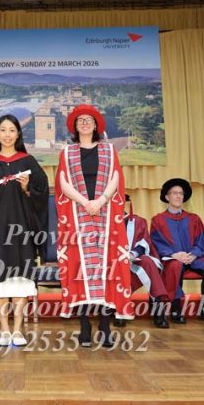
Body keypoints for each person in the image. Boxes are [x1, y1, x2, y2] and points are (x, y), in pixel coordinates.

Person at [55, 104, 132, 348]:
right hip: (77, 216)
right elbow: (63, 182)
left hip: (105, 215)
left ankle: (105, 325)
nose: (85, 123)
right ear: (75, 126)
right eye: (80, 120)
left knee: (106, 269)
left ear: (96, 124)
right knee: (79, 270)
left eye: (89, 119)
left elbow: (116, 177)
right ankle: (84, 325)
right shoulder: (67, 152)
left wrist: (100, 201)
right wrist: (84, 202)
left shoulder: (109, 150)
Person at [0, 114, 48, 346]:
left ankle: (17, 330)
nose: (7, 135)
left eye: (12, 130)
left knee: (20, 277)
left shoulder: (28, 161)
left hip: (21, 228)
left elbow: (41, 194)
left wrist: (27, 188)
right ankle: (4, 330)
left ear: (18, 134)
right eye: (3, 130)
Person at [150, 178, 204, 324]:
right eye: (174, 193)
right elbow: (156, 241)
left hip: (193, 257)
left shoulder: (193, 218)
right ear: (167, 197)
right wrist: (174, 254)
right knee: (175, 267)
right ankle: (176, 310)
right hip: (172, 258)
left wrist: (194, 254)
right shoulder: (158, 220)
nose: (178, 196)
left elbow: (202, 241)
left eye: (181, 193)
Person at [115, 194, 170, 329]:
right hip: (113, 263)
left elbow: (144, 242)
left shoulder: (138, 221)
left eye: (120, 202)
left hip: (134, 259)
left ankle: (158, 307)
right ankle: (119, 311)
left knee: (148, 262)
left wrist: (132, 254)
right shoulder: (103, 222)